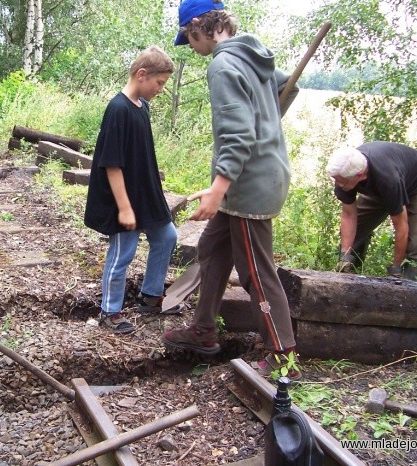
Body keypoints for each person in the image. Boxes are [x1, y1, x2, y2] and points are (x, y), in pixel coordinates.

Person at [161, 0, 300, 379]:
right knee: (211, 248)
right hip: (258, 174)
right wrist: (267, 120)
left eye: (187, 39)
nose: (190, 47)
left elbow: (237, 135)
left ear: (196, 27)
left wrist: (218, 187)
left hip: (248, 184)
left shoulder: (223, 63)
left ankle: (283, 354)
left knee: (256, 271)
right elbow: (291, 84)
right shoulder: (254, 55)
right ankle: (204, 331)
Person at [84, 46, 181, 335]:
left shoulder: (142, 106)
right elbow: (112, 164)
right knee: (122, 253)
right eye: (159, 83)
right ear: (141, 75)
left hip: (145, 193)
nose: (161, 89)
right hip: (122, 197)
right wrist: (125, 207)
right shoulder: (118, 109)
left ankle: (151, 295)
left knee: (167, 236)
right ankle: (110, 311)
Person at [327, 141, 417, 280]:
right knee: (358, 231)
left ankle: (407, 290)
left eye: (342, 181)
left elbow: (401, 226)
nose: (338, 185)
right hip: (383, 185)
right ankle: (348, 278)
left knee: (415, 243)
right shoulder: (344, 172)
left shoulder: (388, 179)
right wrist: (345, 256)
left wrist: (395, 269)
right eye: (336, 180)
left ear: (360, 175)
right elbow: (349, 215)